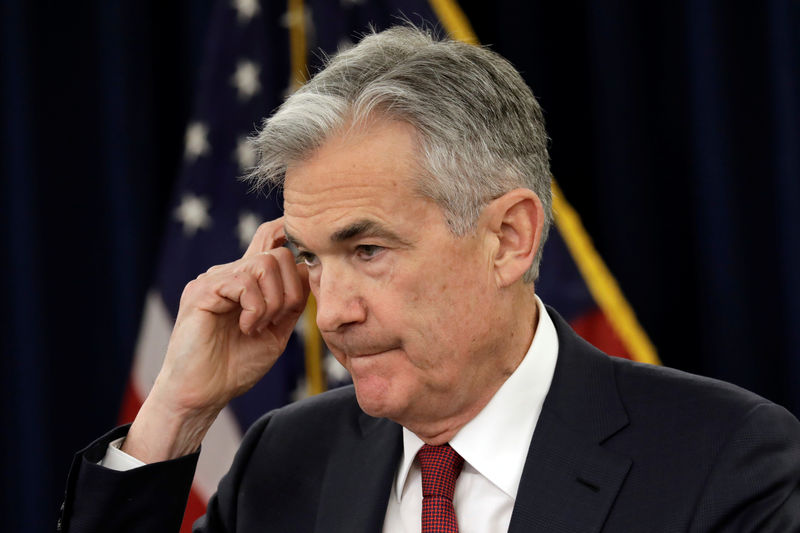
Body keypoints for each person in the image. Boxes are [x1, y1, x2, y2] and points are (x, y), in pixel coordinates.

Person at [59, 25, 800, 532]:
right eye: (312, 258)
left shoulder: (723, 458)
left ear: (508, 238)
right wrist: (176, 413)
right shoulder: (283, 462)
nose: (333, 315)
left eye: (369, 249)